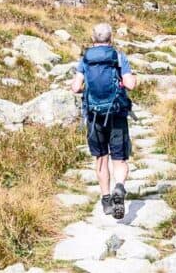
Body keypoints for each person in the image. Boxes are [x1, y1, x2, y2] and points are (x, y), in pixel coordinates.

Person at [70, 23, 137, 219]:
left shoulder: (86, 59)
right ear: (111, 38)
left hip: (94, 115)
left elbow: (75, 88)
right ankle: (119, 187)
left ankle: (107, 199)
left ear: (93, 38)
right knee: (119, 158)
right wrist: (132, 79)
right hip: (116, 113)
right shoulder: (118, 57)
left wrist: (87, 91)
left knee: (101, 158)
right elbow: (130, 84)